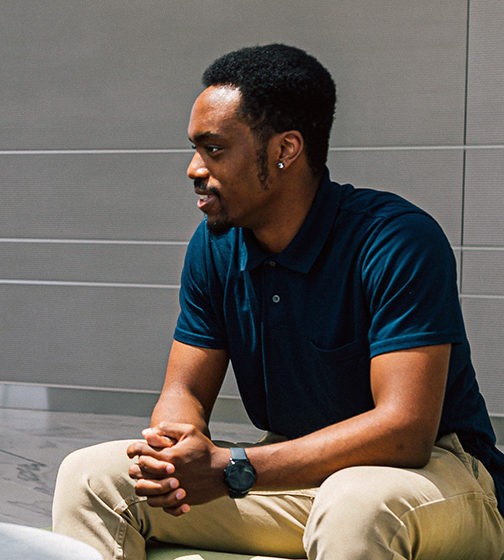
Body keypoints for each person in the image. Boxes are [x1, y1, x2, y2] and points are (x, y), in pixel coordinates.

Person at [52, 44, 504, 559]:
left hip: (432, 476)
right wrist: (174, 449)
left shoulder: (396, 239)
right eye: (194, 149)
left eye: (214, 149)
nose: (193, 169)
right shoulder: (215, 245)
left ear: (284, 149)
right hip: (293, 470)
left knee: (355, 503)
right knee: (91, 478)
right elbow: (185, 388)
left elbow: (406, 431)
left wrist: (231, 468)